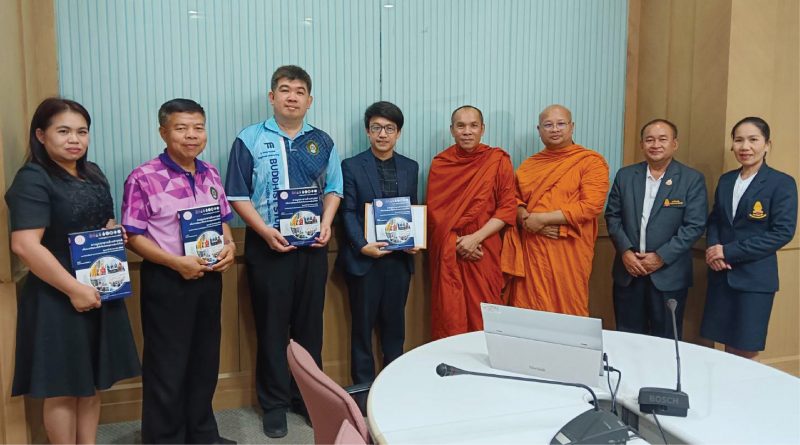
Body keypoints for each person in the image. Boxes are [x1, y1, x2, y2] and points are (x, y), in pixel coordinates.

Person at [5, 97, 140, 444]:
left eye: (82, 131)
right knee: (63, 388)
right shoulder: (33, 178)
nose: (74, 139)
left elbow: (100, 221)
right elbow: (25, 245)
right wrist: (73, 289)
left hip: (99, 287)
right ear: (41, 135)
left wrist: (114, 232)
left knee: (90, 383)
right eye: (63, 131)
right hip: (58, 294)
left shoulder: (92, 172)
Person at [225, 65, 343, 438]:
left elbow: (334, 188)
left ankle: (307, 398)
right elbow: (236, 194)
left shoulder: (322, 141)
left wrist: (326, 223)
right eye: (285, 90)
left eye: (299, 91)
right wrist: (263, 231)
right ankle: (274, 404)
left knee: (310, 328)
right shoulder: (249, 139)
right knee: (272, 328)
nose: (292, 97)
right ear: (272, 96)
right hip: (268, 247)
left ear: (310, 100)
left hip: (312, 248)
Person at [122, 99, 236, 444]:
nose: (191, 135)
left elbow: (223, 221)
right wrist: (176, 263)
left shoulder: (210, 173)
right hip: (168, 280)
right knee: (167, 366)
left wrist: (230, 246)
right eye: (181, 128)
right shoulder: (143, 177)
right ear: (163, 132)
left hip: (208, 277)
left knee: (204, 361)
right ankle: (165, 438)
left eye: (198, 127)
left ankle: (202, 434)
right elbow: (134, 236)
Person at [701, 117, 797, 359]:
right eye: (739, 140)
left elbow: (782, 232)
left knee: (745, 348)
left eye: (753, 140)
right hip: (721, 276)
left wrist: (728, 252)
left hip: (754, 280)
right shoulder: (726, 180)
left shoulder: (781, 183)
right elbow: (715, 219)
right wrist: (713, 249)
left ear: (767, 145)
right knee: (724, 348)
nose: (745, 147)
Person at [337, 101, 419, 384]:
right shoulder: (351, 166)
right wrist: (362, 245)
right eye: (376, 128)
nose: (383, 134)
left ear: (398, 133)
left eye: (389, 128)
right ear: (367, 131)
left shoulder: (410, 167)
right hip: (364, 262)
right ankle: (363, 390)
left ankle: (392, 388)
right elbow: (347, 211)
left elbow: (412, 209)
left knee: (395, 330)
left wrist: (414, 239)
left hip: (399, 261)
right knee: (362, 330)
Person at [502, 104, 610, 316]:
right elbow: (512, 199)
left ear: (572, 126)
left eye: (561, 124)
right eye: (548, 125)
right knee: (530, 309)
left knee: (568, 305)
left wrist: (541, 220)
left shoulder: (590, 162)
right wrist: (524, 217)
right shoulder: (529, 165)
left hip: (568, 248)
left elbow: (591, 206)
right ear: (539, 129)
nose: (555, 129)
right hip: (532, 248)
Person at [605, 119, 707, 338]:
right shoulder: (625, 176)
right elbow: (613, 216)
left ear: (674, 144)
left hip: (669, 275)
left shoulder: (691, 179)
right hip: (629, 271)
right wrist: (625, 252)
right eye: (649, 139)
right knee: (628, 337)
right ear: (642, 144)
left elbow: (694, 225)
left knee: (666, 339)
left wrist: (661, 257)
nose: (655, 145)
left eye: (662, 139)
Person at [427, 105, 517, 340]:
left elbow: (507, 208)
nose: (467, 131)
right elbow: (435, 216)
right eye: (461, 126)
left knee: (485, 312)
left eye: (473, 125)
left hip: (484, 248)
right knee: (451, 312)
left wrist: (475, 239)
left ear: (482, 129)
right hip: (452, 250)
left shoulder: (497, 160)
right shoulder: (441, 164)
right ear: (452, 130)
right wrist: (457, 243)